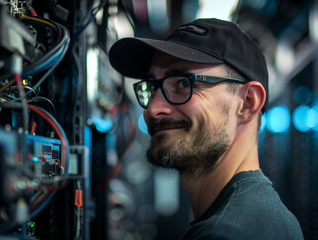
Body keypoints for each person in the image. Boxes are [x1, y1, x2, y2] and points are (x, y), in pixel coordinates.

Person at [108, 18, 303, 240]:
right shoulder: (262, 216)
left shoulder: (225, 234)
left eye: (183, 84)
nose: (153, 109)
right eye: (152, 87)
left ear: (248, 102)